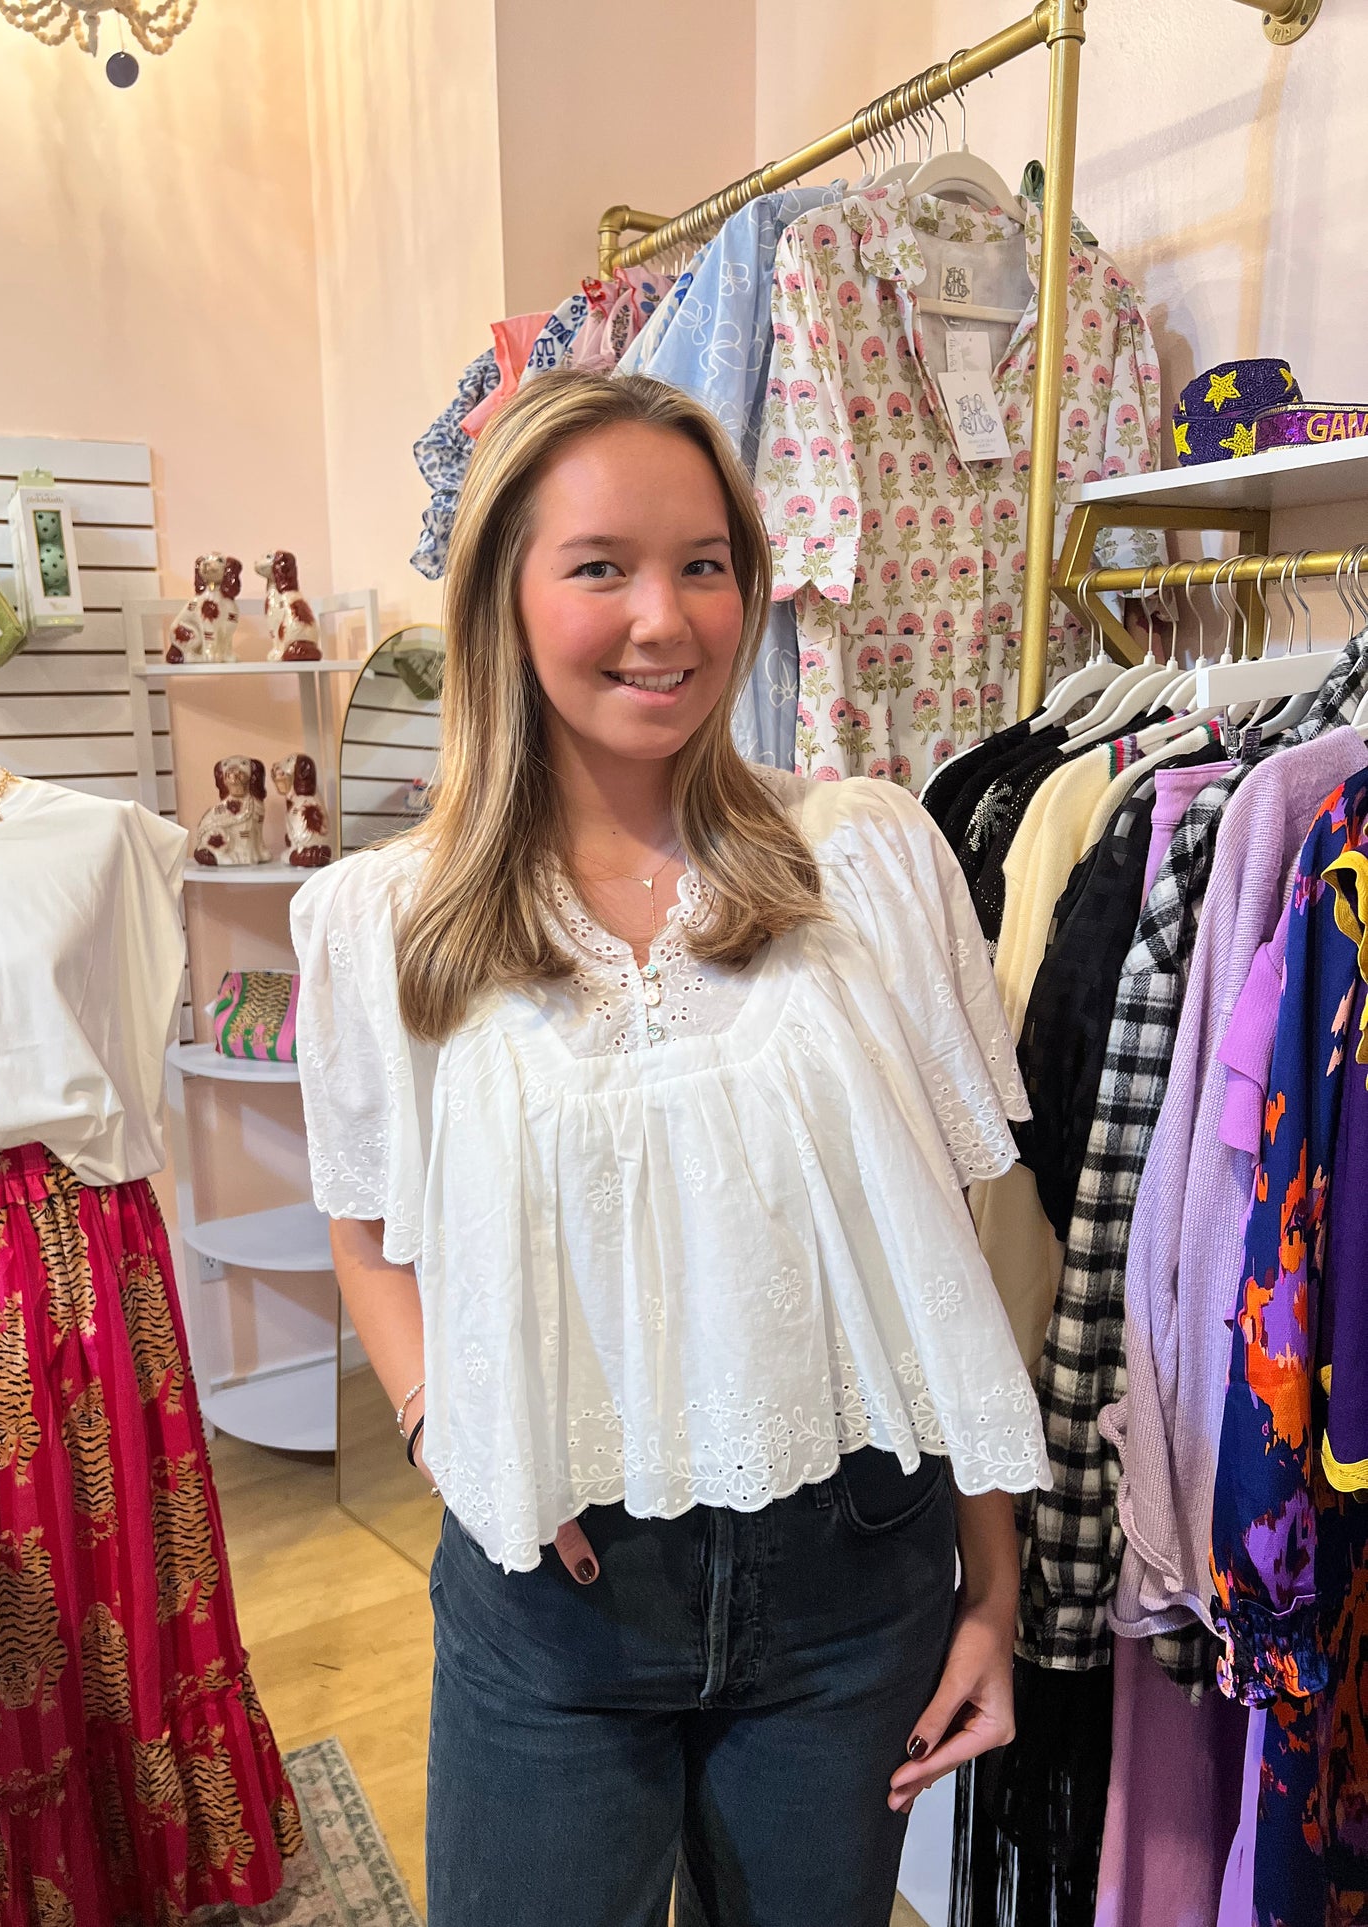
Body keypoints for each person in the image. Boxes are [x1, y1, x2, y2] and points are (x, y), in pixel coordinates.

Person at [292, 370, 1049, 1927]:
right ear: (502, 593)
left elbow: (947, 1261)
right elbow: (366, 1230)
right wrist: (449, 1433)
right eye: (601, 567)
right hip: (551, 1596)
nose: (667, 618)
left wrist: (995, 1584)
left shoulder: (866, 861)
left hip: (854, 1572)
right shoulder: (385, 922)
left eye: (705, 564)